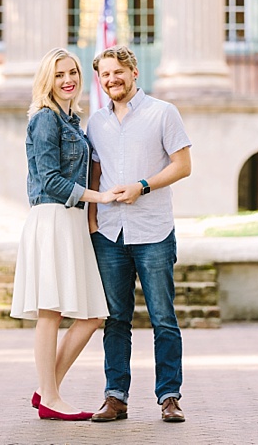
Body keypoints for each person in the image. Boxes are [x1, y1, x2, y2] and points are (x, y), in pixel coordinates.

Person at [10, 47, 119, 422]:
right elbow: (51, 180)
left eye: (72, 72)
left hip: (73, 222)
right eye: (59, 74)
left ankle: (46, 389)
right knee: (51, 312)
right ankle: (52, 398)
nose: (68, 79)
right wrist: (99, 197)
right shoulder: (45, 120)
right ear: (47, 80)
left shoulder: (72, 121)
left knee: (92, 315)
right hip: (52, 218)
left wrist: (91, 218)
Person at [87, 45, 191, 423]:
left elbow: (183, 165)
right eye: (105, 75)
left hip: (154, 230)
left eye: (118, 72)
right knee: (116, 319)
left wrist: (142, 185)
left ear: (133, 73)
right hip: (110, 234)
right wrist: (92, 218)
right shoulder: (96, 122)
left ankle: (169, 396)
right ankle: (115, 397)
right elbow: (95, 172)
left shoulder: (163, 113)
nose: (111, 79)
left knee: (163, 317)